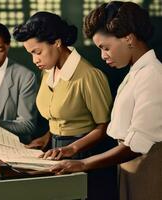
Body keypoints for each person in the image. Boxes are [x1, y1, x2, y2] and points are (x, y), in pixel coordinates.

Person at [49, 1, 162, 200]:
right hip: (129, 165)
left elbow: (137, 145)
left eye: (106, 47)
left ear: (128, 38)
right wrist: (72, 148)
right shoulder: (136, 73)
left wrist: (83, 163)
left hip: (148, 166)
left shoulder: (153, 75)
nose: (103, 56)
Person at [13, 11, 117, 200]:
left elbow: (105, 127)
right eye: (30, 54)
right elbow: (59, 116)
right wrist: (46, 138)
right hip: (56, 150)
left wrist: (73, 149)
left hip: (85, 155)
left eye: (37, 52)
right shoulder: (48, 71)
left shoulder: (88, 76)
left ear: (57, 42)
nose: (34, 60)